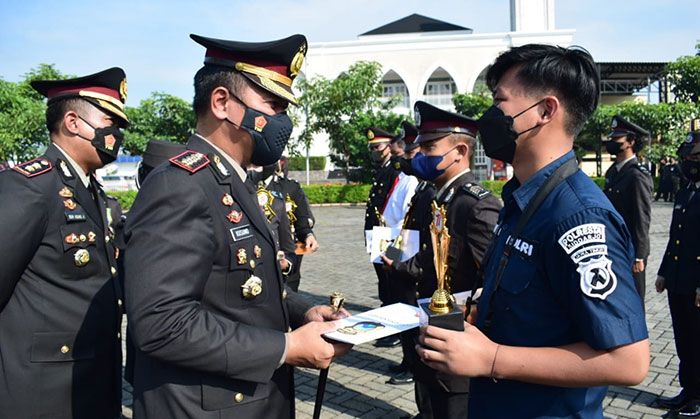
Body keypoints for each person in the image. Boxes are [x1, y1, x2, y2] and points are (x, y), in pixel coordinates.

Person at [123, 33, 350, 419]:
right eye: (273, 105)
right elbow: (162, 323)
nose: (282, 121)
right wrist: (285, 348)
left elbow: (237, 288)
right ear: (222, 103)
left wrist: (302, 314)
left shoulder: (233, 180)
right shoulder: (180, 185)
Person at [416, 44, 649, 418]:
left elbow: (629, 361)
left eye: (500, 102)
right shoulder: (523, 198)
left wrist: (493, 358)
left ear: (545, 111)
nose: (489, 117)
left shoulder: (578, 217)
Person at [0, 67, 128, 418]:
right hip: (41, 392)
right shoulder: (31, 187)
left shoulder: (91, 190)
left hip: (92, 382)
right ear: (73, 122)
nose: (116, 134)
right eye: (109, 121)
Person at [386, 102, 501, 418]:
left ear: (460, 151)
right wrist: (396, 259)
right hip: (426, 328)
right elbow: (415, 245)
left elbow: (494, 283)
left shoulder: (476, 206)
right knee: (428, 404)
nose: (419, 154)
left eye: (428, 147)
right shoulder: (433, 196)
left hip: (458, 349)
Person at [654, 119, 700, 417]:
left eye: (695, 157)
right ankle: (689, 390)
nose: (689, 162)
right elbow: (676, 235)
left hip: (697, 283)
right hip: (679, 279)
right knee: (683, 337)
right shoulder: (686, 191)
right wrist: (663, 272)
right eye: (688, 157)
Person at [602, 115, 653, 304]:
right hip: (613, 246)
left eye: (617, 139)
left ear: (631, 141)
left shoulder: (637, 176)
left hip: (630, 250)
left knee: (633, 298)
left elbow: (642, 218)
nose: (612, 142)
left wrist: (639, 255)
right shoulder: (613, 172)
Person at [251, 158, 318, 292]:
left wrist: (309, 235)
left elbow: (302, 221)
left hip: (287, 251)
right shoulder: (245, 185)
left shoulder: (290, 187)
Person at [364, 126, 402, 347]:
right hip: (378, 233)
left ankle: (394, 331)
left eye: (377, 146)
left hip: (389, 235)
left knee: (392, 284)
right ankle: (389, 326)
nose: (375, 151)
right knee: (384, 284)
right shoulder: (383, 169)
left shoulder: (396, 170)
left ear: (389, 146)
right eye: (372, 148)